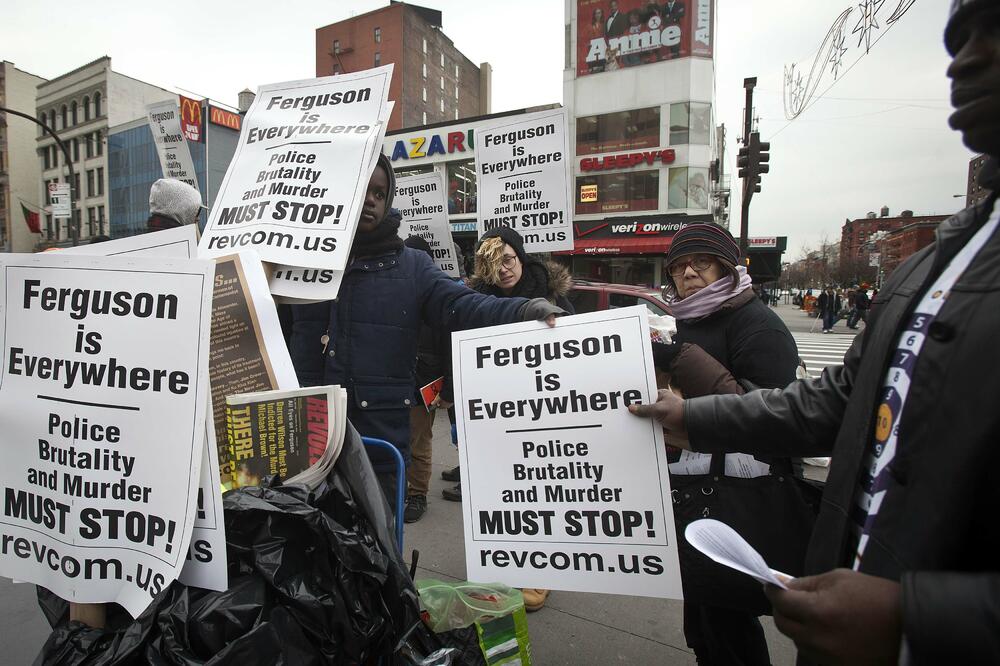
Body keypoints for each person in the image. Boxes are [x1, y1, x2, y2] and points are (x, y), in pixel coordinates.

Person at [628, 3, 1000, 661]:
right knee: (708, 631)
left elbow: (777, 393)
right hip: (839, 598)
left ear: (726, 267)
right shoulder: (934, 262)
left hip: (765, 520)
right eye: (957, 37)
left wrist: (918, 618)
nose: (963, 60)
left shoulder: (758, 322)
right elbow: (833, 404)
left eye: (990, 32)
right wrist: (692, 417)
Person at [283, 155, 563, 505]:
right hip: (302, 441)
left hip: (378, 450)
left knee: (375, 555)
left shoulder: (413, 267)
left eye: (380, 193)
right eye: (362, 188)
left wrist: (522, 309)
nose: (371, 199)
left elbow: (465, 306)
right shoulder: (295, 264)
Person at [655, 223, 801, 666]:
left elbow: (767, 416)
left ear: (727, 265)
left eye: (701, 262)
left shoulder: (760, 326)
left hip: (737, 497)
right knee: (703, 616)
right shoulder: (683, 320)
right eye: (679, 266)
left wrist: (685, 363)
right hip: (694, 487)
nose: (689, 273)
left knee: (727, 618)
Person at [441, 226, 575, 505]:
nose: (502, 269)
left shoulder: (552, 296)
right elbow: (457, 349)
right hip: (493, 406)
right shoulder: (473, 303)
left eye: (508, 260)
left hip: (543, 402)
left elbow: (574, 348)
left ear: (521, 258)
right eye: (493, 263)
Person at [399, 236, 453, 524]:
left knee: (418, 440)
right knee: (401, 439)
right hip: (399, 380)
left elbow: (448, 346)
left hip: (425, 383)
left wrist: (449, 390)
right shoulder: (396, 292)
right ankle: (401, 490)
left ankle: (417, 494)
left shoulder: (438, 299)